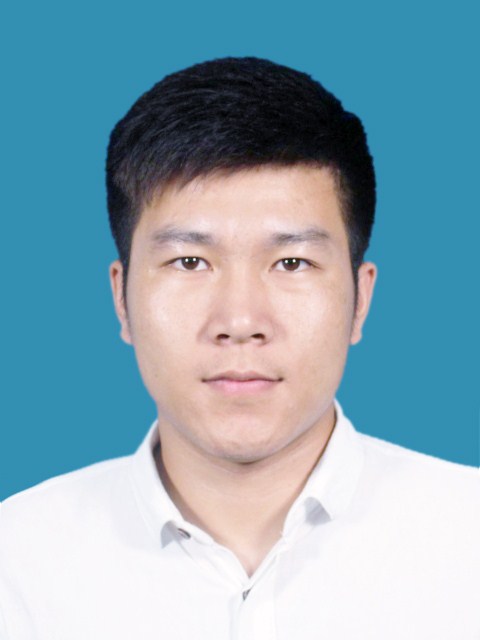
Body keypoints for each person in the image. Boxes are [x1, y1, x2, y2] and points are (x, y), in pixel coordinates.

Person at [0, 57, 478, 640]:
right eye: (190, 262)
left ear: (361, 300)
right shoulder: (17, 563)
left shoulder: (467, 541)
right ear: (121, 299)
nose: (241, 321)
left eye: (292, 262)